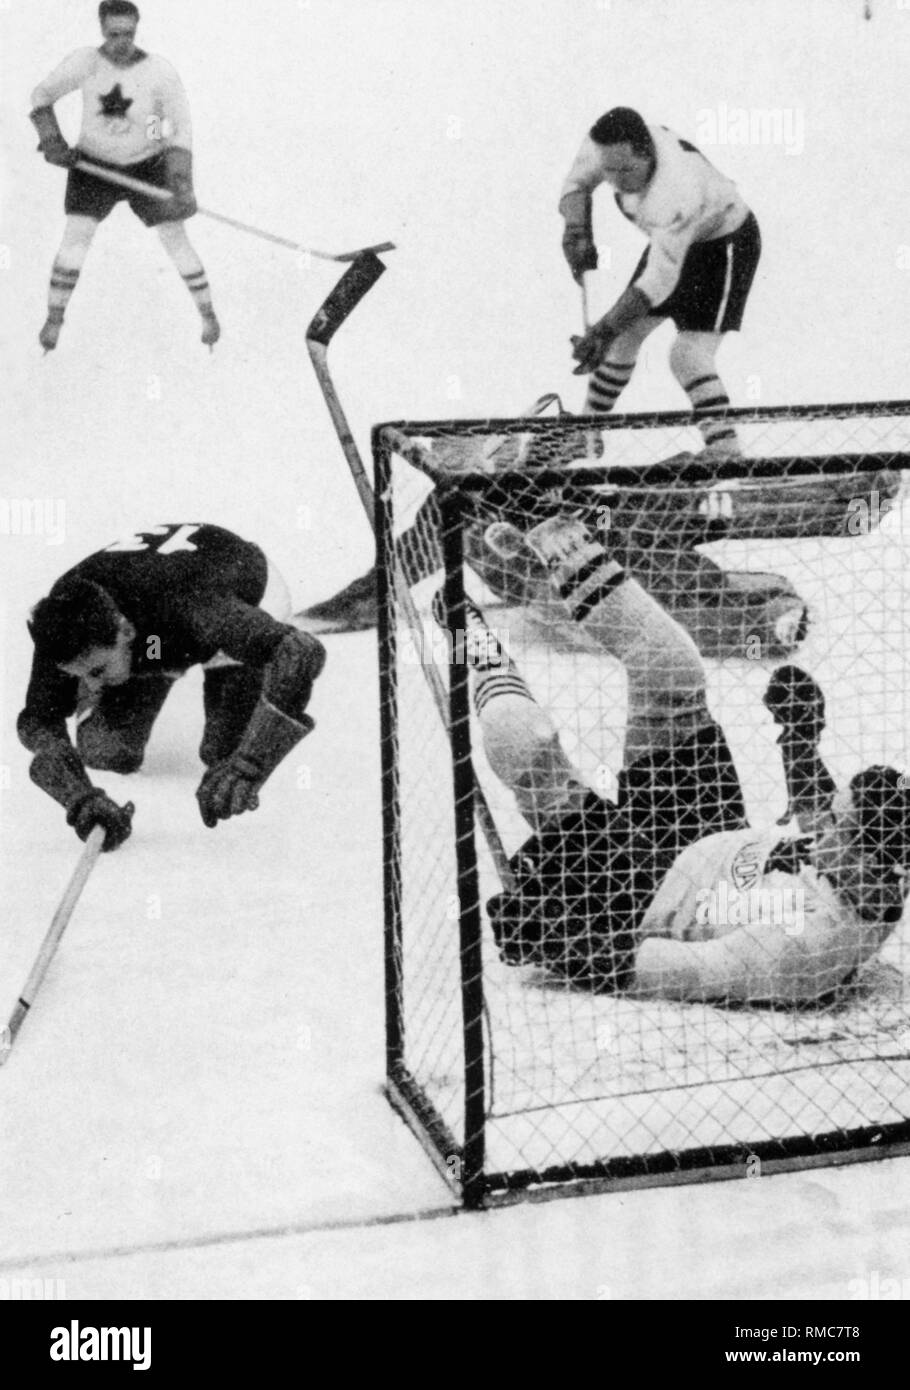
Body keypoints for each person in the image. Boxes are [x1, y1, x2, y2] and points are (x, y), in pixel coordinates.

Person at [432, 514, 910, 1006]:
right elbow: (818, 809)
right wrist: (800, 739)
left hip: (634, 890)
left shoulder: (805, 950)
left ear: (873, 860)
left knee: (522, 735)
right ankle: (551, 532)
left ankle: (475, 647)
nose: (819, 832)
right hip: (709, 824)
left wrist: (552, 939)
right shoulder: (874, 869)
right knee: (671, 663)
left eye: (836, 827)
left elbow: (677, 972)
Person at [18, 523, 326, 851]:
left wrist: (251, 763)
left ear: (123, 631)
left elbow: (298, 653)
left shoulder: (201, 605)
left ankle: (202, 667)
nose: (91, 684)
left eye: (96, 670)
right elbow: (38, 719)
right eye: (81, 676)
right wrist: (78, 798)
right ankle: (161, 661)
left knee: (223, 755)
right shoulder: (64, 615)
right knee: (106, 752)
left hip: (229, 604)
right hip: (155, 635)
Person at [560, 107, 761, 459]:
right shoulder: (607, 148)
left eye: (625, 170)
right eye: (608, 170)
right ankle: (587, 433)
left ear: (647, 153)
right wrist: (576, 230)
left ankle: (726, 451)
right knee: (623, 337)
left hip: (723, 242)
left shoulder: (676, 190)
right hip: (672, 243)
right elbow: (576, 184)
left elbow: (659, 279)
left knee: (687, 355)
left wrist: (602, 331)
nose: (616, 179)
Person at [29, 1, 220, 351]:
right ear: (102, 29)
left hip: (146, 164)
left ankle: (207, 313)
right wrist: (52, 140)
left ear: (137, 30)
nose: (121, 41)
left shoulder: (158, 71)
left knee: (175, 239)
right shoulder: (86, 62)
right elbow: (41, 95)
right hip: (93, 167)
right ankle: (55, 318)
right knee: (75, 239)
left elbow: (177, 127)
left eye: (128, 34)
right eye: (114, 33)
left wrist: (179, 182)